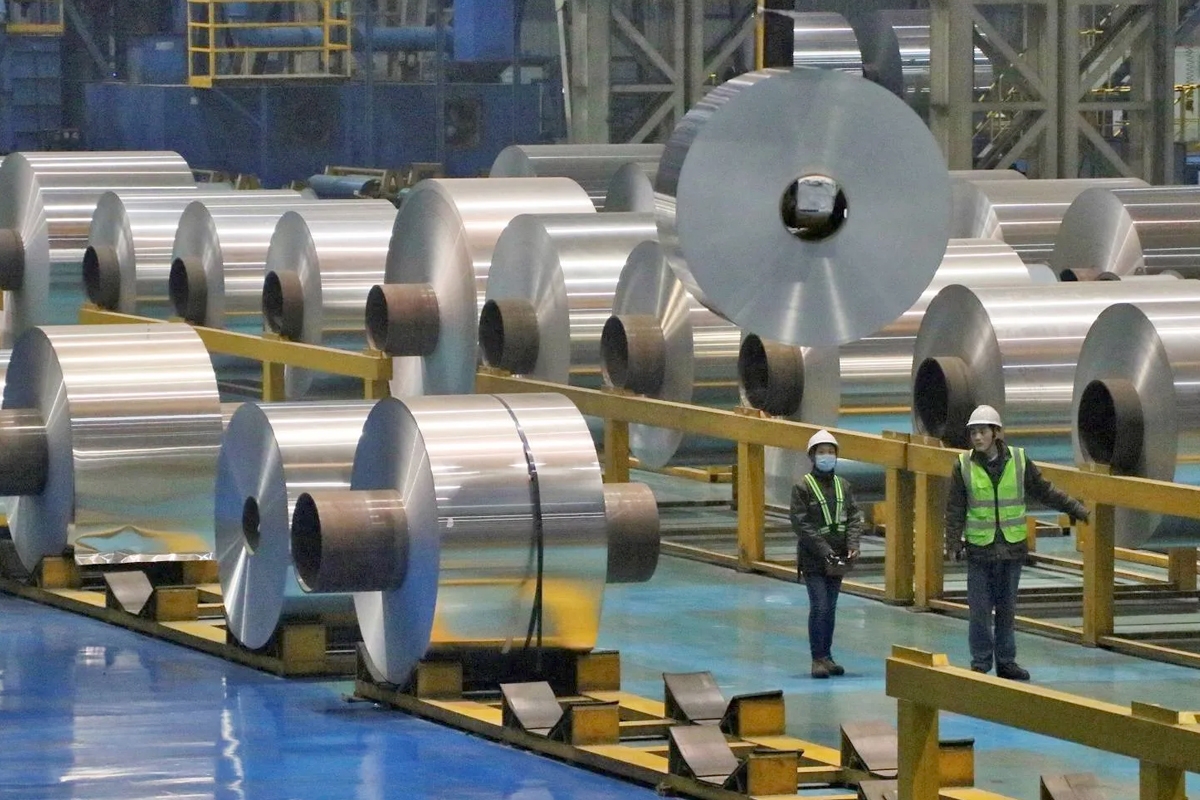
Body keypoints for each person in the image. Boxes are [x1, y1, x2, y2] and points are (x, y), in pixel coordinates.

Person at [944, 405, 1089, 680]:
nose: (977, 437)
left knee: (1007, 611)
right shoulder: (963, 465)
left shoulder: (1019, 460)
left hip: (1011, 550)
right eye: (973, 433)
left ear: (996, 433)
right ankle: (980, 663)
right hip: (980, 550)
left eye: (982, 432)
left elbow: (1045, 491)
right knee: (979, 612)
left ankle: (1006, 662)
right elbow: (955, 507)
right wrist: (952, 542)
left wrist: (1076, 509)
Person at [790, 429, 863, 679]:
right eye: (822, 452)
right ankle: (817, 658)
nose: (827, 456)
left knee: (830, 608)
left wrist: (852, 544)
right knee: (820, 606)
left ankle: (827, 656)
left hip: (837, 559)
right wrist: (825, 550)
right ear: (812, 456)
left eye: (831, 452)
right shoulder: (802, 488)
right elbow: (801, 524)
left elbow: (854, 517)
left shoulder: (844, 486)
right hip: (813, 560)